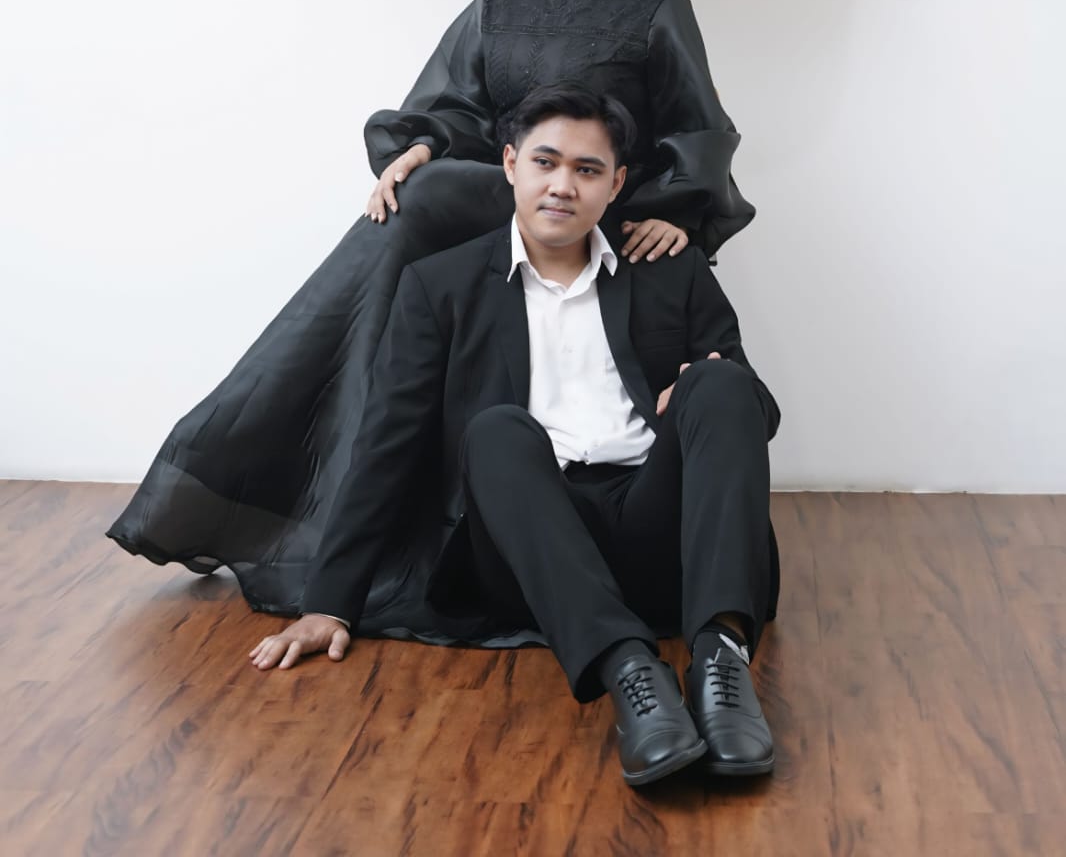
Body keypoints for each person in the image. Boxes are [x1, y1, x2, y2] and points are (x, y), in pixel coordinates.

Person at [108, 0, 756, 626]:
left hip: (594, 204)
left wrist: (671, 210)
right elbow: (455, 104)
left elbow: (698, 125)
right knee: (423, 191)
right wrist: (419, 145)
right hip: (505, 196)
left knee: (433, 195)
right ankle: (327, 420)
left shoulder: (655, 5)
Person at [248, 85, 780, 790]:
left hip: (661, 532)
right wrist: (329, 601)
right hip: (533, 545)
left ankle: (721, 665)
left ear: (617, 183)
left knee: (721, 381)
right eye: (545, 162)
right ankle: (631, 672)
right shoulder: (439, 286)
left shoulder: (667, 266)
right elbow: (386, 445)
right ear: (510, 165)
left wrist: (697, 387)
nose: (562, 185)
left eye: (587, 170)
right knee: (495, 429)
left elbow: (755, 415)